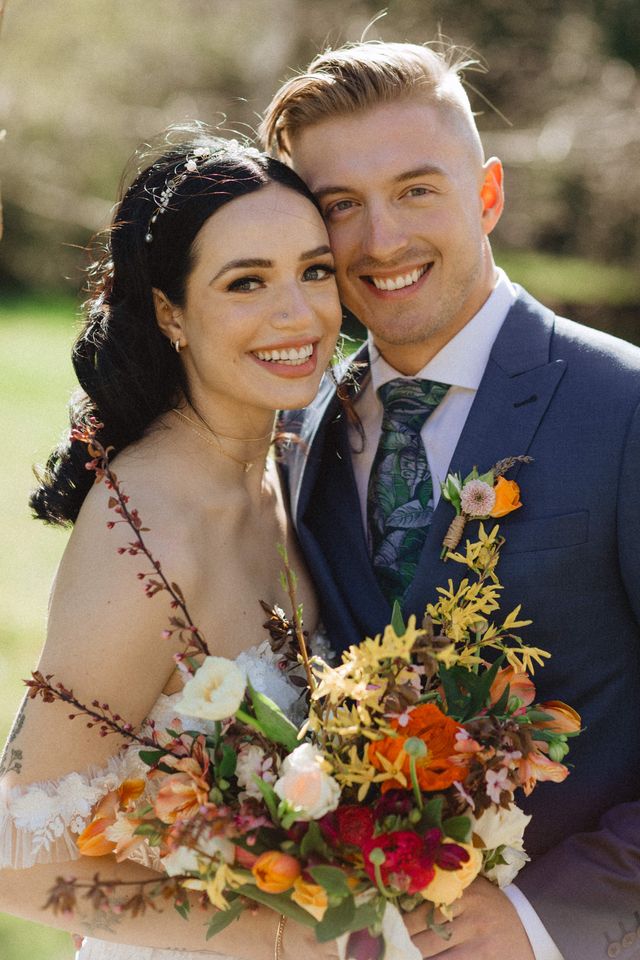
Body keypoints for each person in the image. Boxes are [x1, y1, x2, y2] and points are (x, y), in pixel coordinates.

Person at [260, 41, 640, 960]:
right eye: (339, 206)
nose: (380, 240)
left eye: (416, 189)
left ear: (488, 195)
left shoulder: (624, 408)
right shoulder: (289, 424)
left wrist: (551, 922)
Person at [0, 130, 352, 960]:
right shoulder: (145, 535)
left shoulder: (289, 460)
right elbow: (19, 864)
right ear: (170, 314)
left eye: (315, 270)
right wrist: (295, 935)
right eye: (246, 283)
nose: (298, 313)